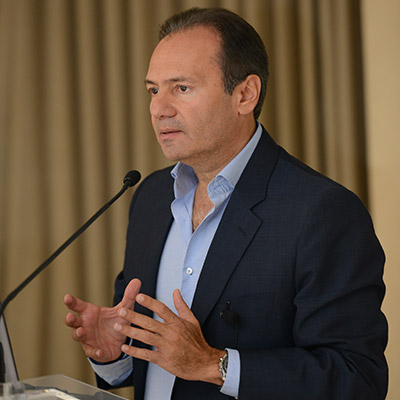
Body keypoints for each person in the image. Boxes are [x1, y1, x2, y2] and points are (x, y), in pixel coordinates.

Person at [63, 7, 388, 400]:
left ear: (245, 94)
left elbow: (356, 378)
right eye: (153, 90)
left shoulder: (321, 212)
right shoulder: (150, 197)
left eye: (181, 88)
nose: (159, 109)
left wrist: (212, 364)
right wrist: (116, 354)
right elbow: (158, 362)